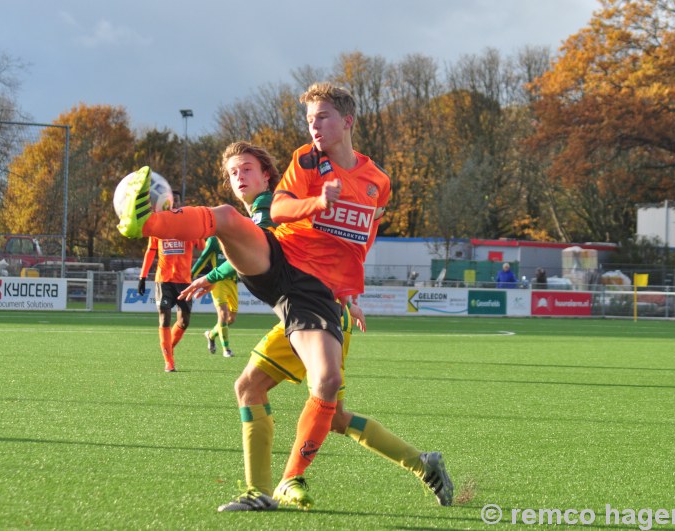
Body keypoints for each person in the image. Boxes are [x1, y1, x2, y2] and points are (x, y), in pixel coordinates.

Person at [116, 82, 452, 510]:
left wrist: (349, 289)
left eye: (323, 117)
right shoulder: (305, 161)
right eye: (309, 119)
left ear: (347, 121)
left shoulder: (376, 184)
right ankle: (145, 224)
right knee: (225, 219)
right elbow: (278, 210)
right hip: (281, 261)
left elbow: (359, 240)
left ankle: (417, 464)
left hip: (311, 298)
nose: (313, 126)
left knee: (313, 401)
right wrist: (315, 204)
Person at [137, 192, 204, 372]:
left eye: (176, 202)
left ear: (181, 204)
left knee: (184, 321)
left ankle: (168, 349)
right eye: (169, 202)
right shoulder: (158, 225)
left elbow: (202, 246)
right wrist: (142, 277)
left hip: (184, 280)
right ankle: (169, 361)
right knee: (164, 316)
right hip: (163, 279)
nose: (173, 206)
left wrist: (199, 232)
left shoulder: (189, 225)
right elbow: (151, 251)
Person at [191, 235, 238, 358]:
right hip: (218, 281)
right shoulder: (213, 240)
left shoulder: (235, 236)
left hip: (233, 281)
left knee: (230, 319)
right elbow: (203, 259)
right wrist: (191, 275)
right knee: (223, 314)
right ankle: (226, 349)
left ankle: (211, 335)